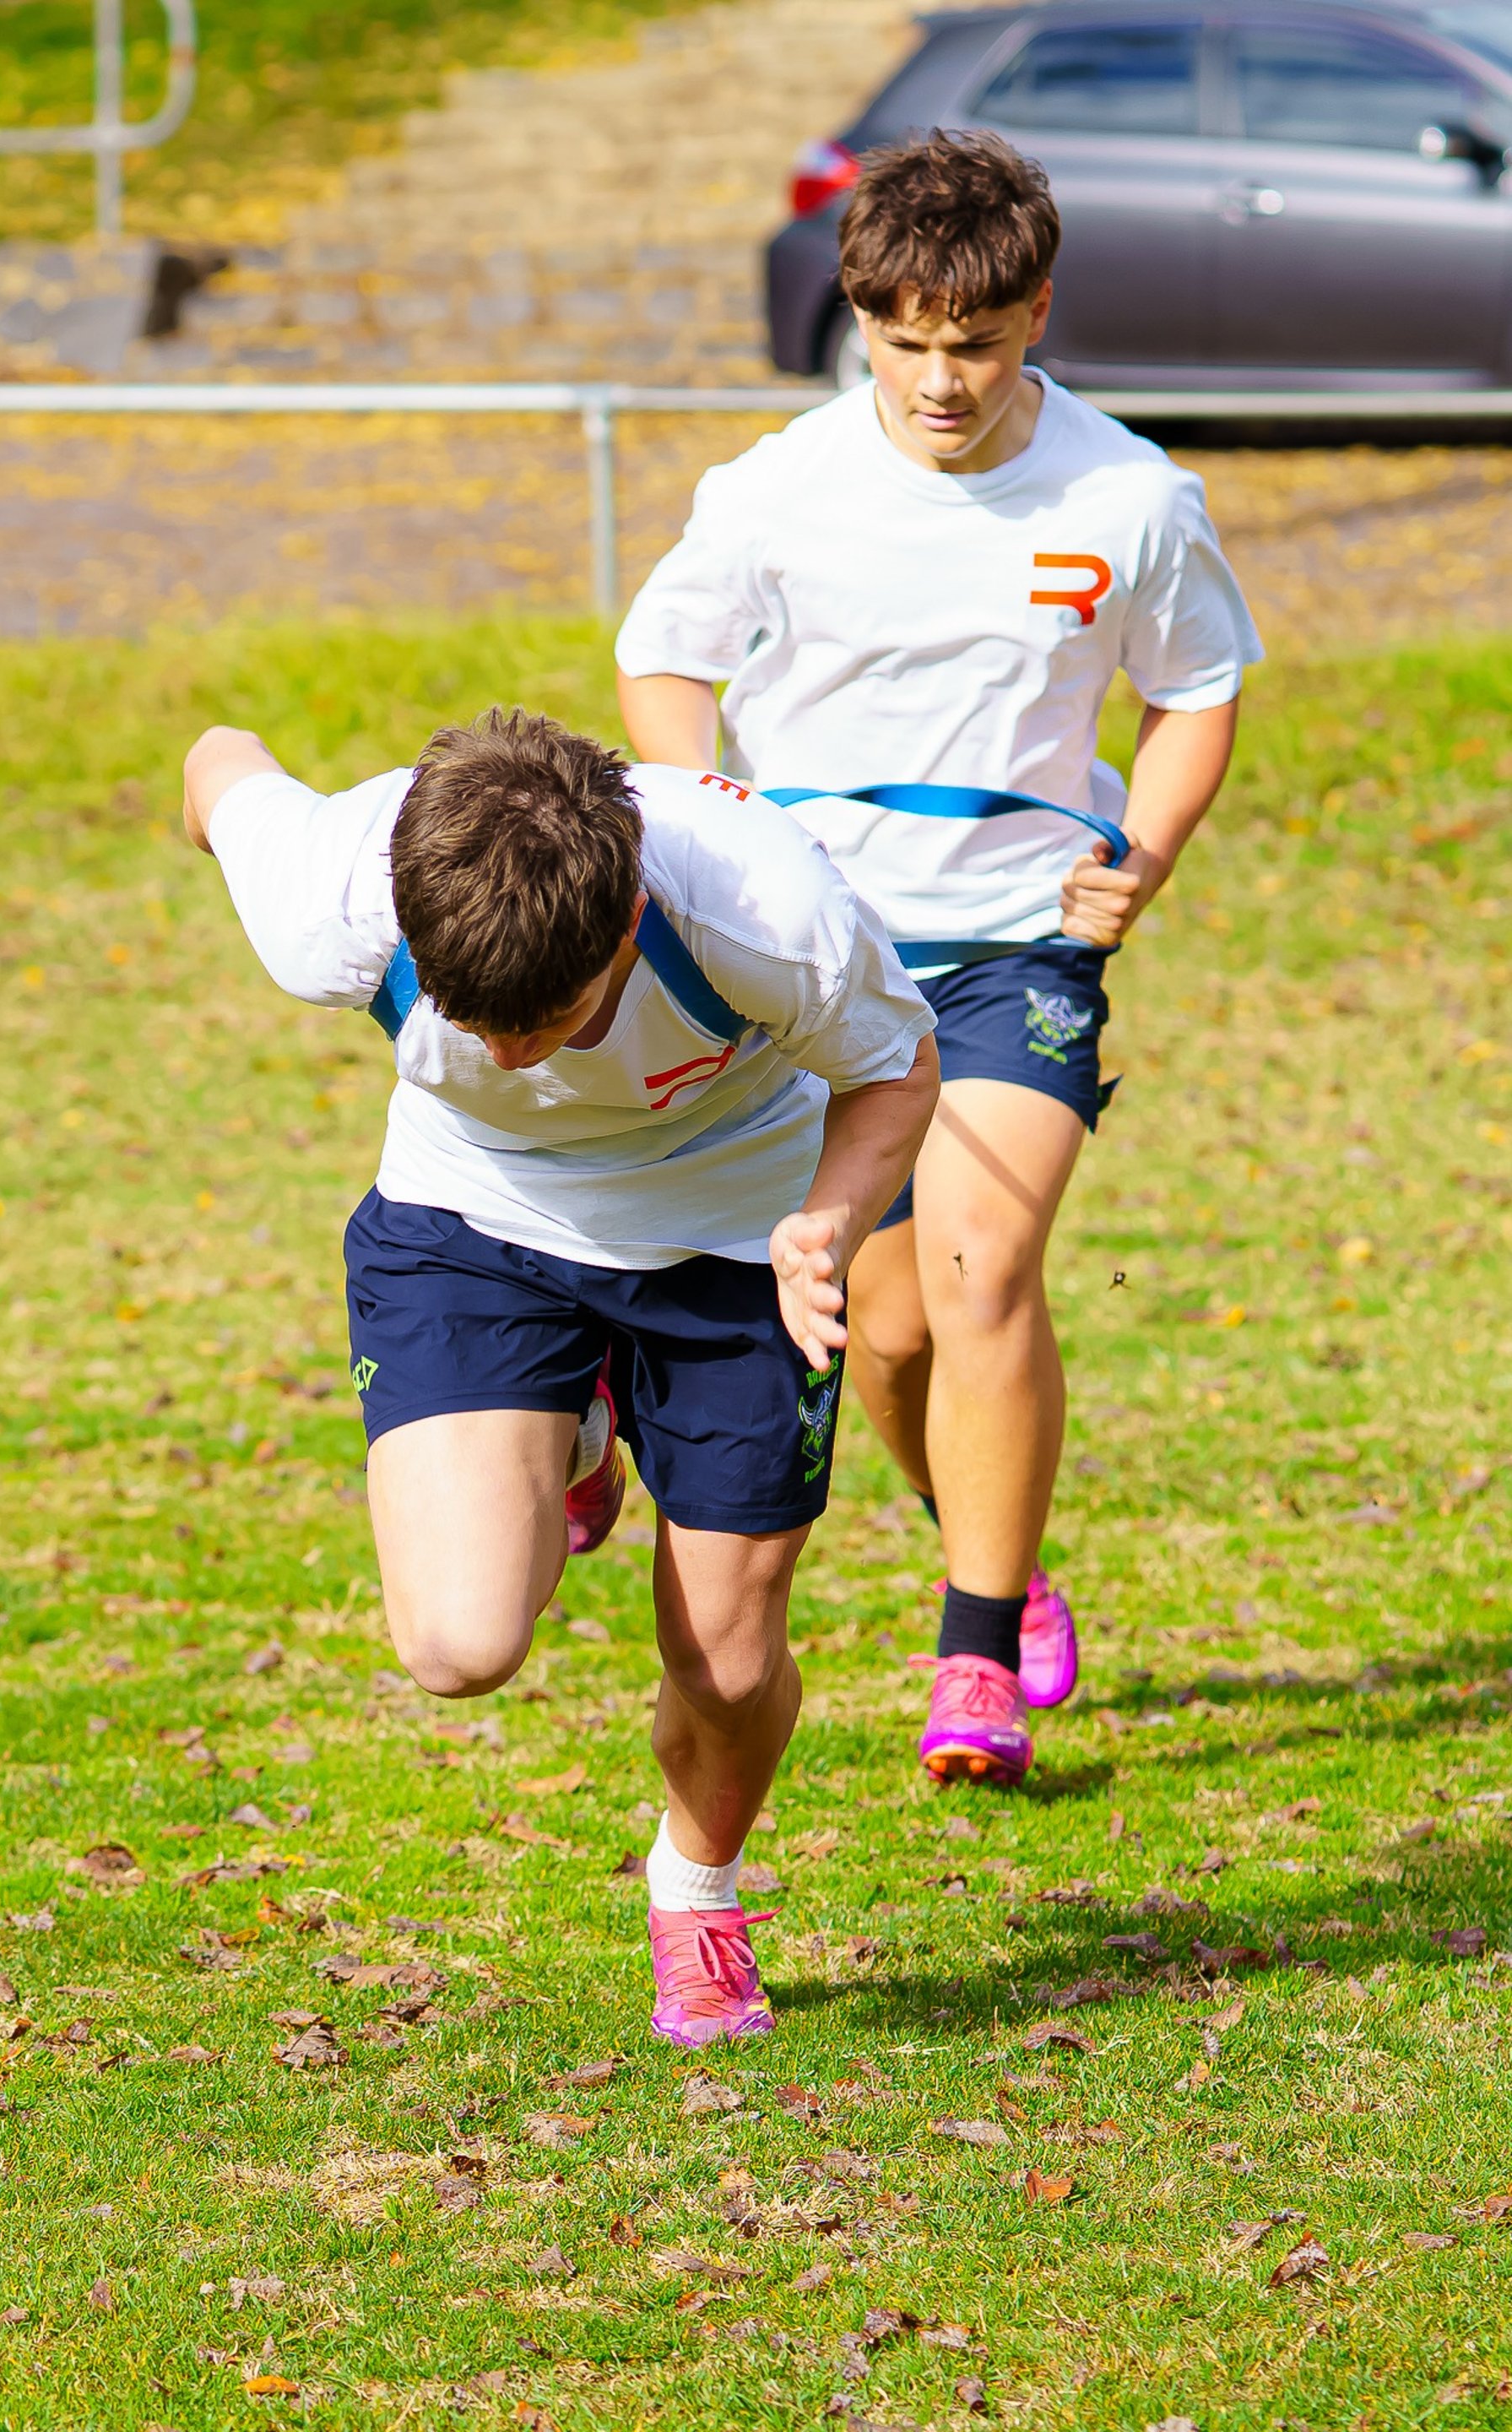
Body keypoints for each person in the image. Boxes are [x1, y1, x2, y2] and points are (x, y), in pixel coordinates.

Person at [615, 129, 1262, 1792]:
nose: (940, 381)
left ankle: (972, 1660)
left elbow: (1197, 691)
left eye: (972, 342)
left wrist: (1146, 856)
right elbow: (664, 665)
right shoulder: (775, 488)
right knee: (887, 1338)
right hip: (819, 962)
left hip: (1014, 944)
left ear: (1034, 313)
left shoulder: (1129, 497)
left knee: (982, 1266)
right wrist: (709, 808)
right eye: (904, 343)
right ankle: (1002, 1541)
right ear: (865, 320)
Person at [182, 708, 937, 2047]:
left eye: (552, 1022)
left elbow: (897, 1071)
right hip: (476, 1223)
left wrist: (826, 1223)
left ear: (629, 924)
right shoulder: (337, 894)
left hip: (735, 1234)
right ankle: (577, 1428)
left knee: (727, 1653)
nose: (513, 1053)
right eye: (480, 1022)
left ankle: (697, 1895)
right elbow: (222, 761)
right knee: (458, 1647)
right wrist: (212, 797)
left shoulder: (763, 906)